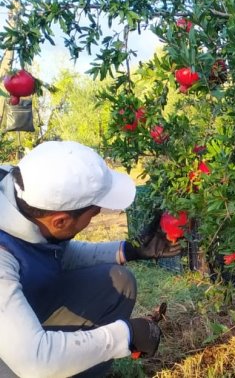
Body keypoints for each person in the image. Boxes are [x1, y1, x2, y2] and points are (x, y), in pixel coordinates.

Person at [0, 141, 181, 377]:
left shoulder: (23, 192)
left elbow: (59, 253)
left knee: (118, 283)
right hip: (21, 354)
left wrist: (129, 250)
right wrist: (124, 336)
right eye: (94, 213)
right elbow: (35, 362)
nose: (95, 219)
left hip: (18, 313)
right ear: (61, 221)